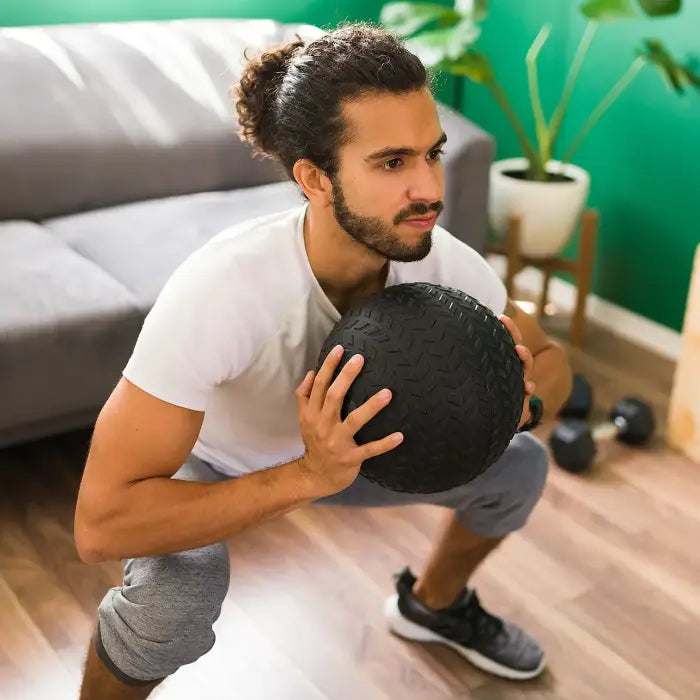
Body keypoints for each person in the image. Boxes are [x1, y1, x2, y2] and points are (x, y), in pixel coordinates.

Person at [75, 22, 572, 699]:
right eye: (392, 163)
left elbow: (547, 355)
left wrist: (527, 401)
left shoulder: (451, 270)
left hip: (357, 457)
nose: (429, 189)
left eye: (433, 154)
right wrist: (306, 475)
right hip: (213, 463)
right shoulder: (224, 289)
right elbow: (100, 525)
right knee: (174, 605)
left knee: (519, 466)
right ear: (314, 177)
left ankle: (433, 604)